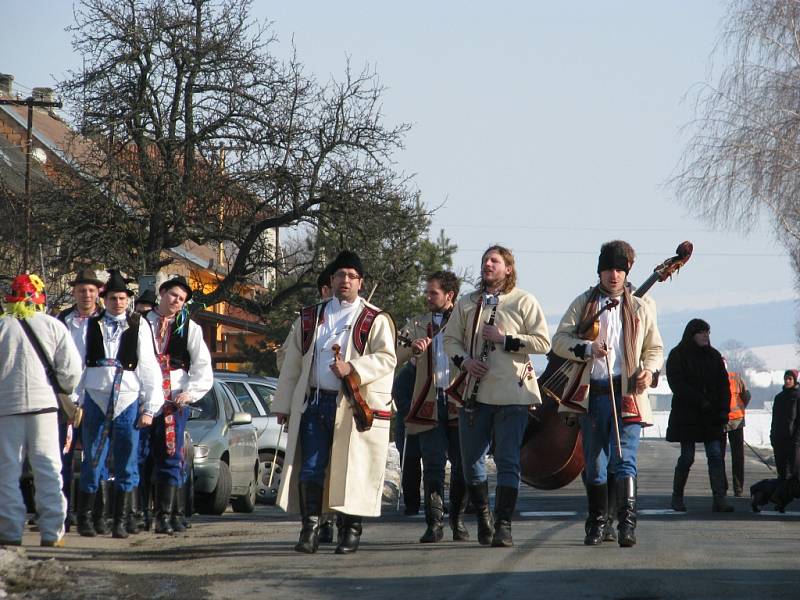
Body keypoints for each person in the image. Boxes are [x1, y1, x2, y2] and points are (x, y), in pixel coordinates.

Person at [272, 251, 397, 554]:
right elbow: (292, 364)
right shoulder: (310, 316)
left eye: (352, 276)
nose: (345, 280)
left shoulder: (374, 319)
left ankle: (350, 531)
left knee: (351, 468)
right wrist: (283, 404)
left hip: (352, 405)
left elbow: (387, 358)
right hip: (314, 403)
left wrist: (352, 368)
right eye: (340, 275)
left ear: (361, 282)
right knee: (312, 468)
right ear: (331, 280)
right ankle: (309, 531)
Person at [554, 240, 663, 547]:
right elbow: (559, 341)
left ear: (626, 272)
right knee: (595, 463)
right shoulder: (582, 303)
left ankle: (627, 524)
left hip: (627, 392)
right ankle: (597, 523)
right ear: (599, 271)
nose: (614, 275)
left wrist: (649, 370)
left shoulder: (642, 306)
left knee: (625, 460)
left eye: (619, 269)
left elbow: (654, 348)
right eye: (608, 269)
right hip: (593, 394)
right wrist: (587, 348)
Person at [444, 245, 550, 548]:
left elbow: (543, 342)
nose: (488, 265)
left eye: (495, 261)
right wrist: (464, 361)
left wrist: (506, 340)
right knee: (470, 462)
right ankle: (483, 516)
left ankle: (504, 525)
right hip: (473, 394)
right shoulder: (467, 303)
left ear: (508, 268)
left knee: (507, 460)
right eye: (485, 260)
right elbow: (450, 340)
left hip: (512, 394)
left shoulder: (524, 301)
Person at [76, 269, 163, 539]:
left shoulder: (139, 325)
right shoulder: (91, 324)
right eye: (113, 298)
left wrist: (150, 407)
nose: (118, 303)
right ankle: (88, 517)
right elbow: (77, 364)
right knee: (92, 459)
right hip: (96, 398)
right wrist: (74, 401)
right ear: (105, 299)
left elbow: (148, 367)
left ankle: (122, 519)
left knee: (127, 461)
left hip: (127, 399)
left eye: (123, 298)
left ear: (129, 299)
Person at [0, 274, 82, 547]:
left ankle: (10, 530)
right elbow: (71, 371)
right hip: (45, 407)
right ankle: (52, 531)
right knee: (48, 469)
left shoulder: (2, 326)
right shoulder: (53, 326)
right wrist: (67, 391)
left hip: (6, 408)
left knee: (6, 472)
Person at [398, 270, 468, 543]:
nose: (427, 297)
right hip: (429, 400)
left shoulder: (464, 322)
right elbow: (392, 355)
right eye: (426, 292)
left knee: (462, 465)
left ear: (449, 295)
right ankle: (434, 523)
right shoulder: (417, 323)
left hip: (458, 401)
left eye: (433, 293)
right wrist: (413, 354)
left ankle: (458, 521)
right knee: (433, 464)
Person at [143, 275, 212, 534]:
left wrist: (190, 392)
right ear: (161, 293)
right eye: (173, 295)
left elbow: (202, 365)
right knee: (140, 455)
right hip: (143, 398)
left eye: (182, 299)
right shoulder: (142, 323)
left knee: (171, 455)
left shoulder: (190, 328)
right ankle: (137, 514)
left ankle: (167, 514)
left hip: (172, 399)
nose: (176, 301)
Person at [666, 319, 733, 513]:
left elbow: (724, 386)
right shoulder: (678, 355)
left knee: (715, 455)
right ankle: (677, 497)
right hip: (687, 415)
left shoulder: (714, 356)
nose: (705, 336)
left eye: (707, 332)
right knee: (687, 457)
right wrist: (699, 400)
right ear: (691, 335)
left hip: (711, 416)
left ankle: (719, 498)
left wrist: (723, 410)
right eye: (701, 332)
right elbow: (677, 384)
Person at [56, 269, 105, 531]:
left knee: (94, 457)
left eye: (91, 290)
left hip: (96, 395)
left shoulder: (107, 319)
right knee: (62, 456)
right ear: (74, 292)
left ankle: (93, 513)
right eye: (81, 290)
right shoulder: (63, 320)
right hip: (67, 397)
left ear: (98, 293)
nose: (86, 295)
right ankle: (62, 513)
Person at [392, 361, 422, 516]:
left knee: (433, 466)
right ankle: (412, 504)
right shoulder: (404, 374)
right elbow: (398, 397)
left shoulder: (430, 374)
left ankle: (435, 503)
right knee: (410, 467)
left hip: (427, 425)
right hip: (407, 427)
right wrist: (414, 409)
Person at [721, 368, 751, 497]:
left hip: (730, 421)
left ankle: (728, 487)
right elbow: (747, 395)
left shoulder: (735, 378)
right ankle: (734, 488)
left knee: (720, 456)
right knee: (735, 457)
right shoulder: (736, 377)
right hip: (725, 421)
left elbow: (746, 395)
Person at [770, 370, 800, 483]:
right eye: (785, 378)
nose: (787, 381)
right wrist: (772, 436)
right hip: (779, 439)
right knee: (782, 473)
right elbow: (775, 419)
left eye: (790, 379)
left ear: (795, 380)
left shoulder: (797, 396)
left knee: (795, 472)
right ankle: (782, 496)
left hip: (794, 441)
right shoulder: (779, 398)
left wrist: (797, 439)